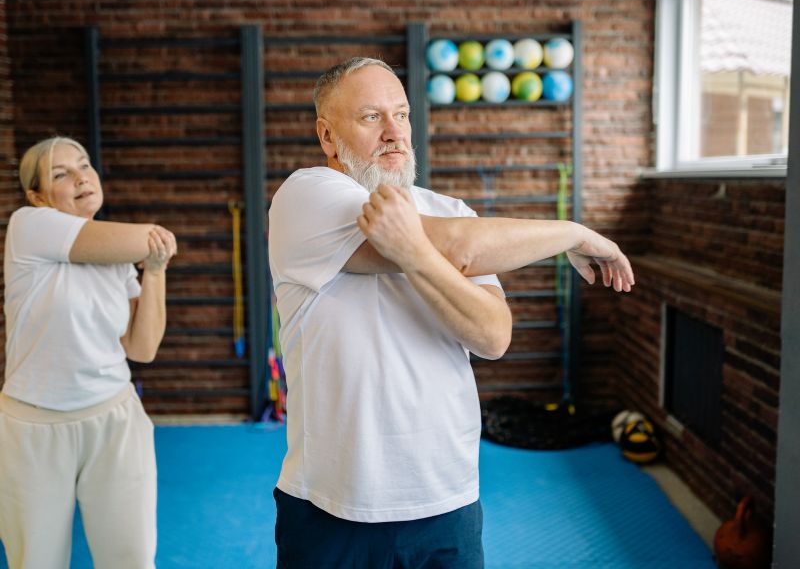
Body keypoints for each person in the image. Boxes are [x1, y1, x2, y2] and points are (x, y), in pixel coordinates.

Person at [268, 57, 634, 568]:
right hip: (331, 504)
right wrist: (575, 233)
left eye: (402, 114)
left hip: (445, 501)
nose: (394, 132)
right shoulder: (307, 197)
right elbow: (460, 249)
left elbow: (492, 336)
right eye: (372, 117)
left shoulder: (452, 210)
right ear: (328, 136)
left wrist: (413, 253)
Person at [0, 136, 177, 569]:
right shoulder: (28, 225)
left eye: (85, 165)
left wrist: (154, 271)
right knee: (36, 561)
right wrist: (152, 245)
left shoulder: (117, 254)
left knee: (131, 560)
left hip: (115, 421)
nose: (82, 177)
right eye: (61, 174)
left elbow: (142, 347)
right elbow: (153, 237)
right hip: (34, 428)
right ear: (38, 196)